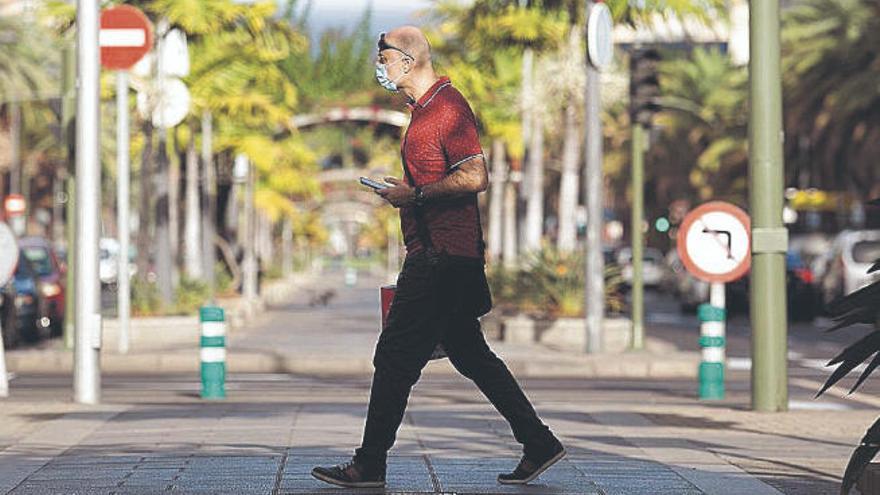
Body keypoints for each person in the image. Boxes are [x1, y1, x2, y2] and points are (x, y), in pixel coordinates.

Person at [311, 25, 565, 489]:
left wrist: (415, 195)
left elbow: (475, 176)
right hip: (440, 255)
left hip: (441, 259)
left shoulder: (447, 108)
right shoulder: (423, 113)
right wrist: (409, 193)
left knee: (393, 358)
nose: (380, 66)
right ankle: (538, 442)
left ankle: (369, 465)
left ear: (408, 61)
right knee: (471, 355)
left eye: (384, 57)